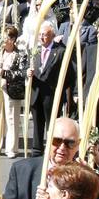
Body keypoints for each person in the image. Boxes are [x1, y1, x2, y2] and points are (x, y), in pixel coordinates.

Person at [26, 20, 68, 151]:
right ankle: (37, 149)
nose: (41, 37)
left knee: (52, 124)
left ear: (52, 35)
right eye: (40, 35)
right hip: (36, 92)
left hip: (52, 93)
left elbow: (68, 74)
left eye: (44, 35)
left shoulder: (60, 51)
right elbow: (26, 67)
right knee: (37, 123)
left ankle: (52, 148)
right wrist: (27, 72)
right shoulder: (34, 50)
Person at [0, 25, 27, 158]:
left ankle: (12, 148)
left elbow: (21, 73)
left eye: (6, 38)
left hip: (12, 89)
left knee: (12, 118)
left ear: (13, 39)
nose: (3, 40)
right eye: (2, 37)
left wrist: (5, 73)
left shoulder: (20, 54)